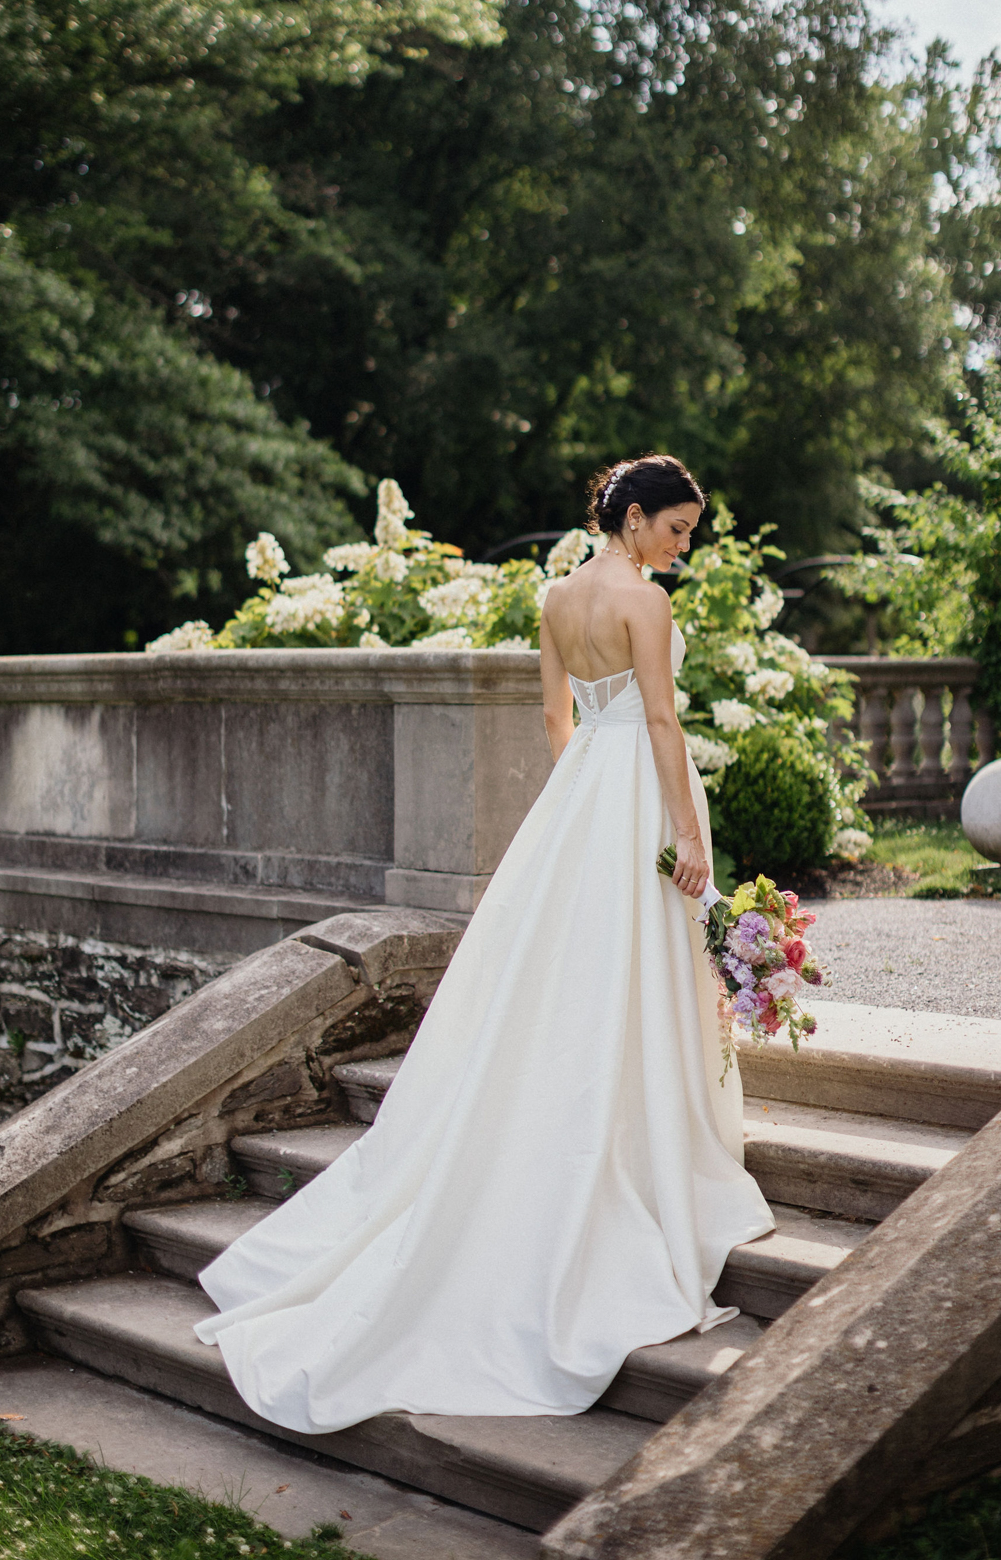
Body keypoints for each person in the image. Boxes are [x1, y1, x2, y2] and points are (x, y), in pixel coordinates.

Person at [194, 453, 774, 1433]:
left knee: (568, 974)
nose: (685, 547)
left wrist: (582, 806)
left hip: (583, 791)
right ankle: (642, 1137)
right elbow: (666, 721)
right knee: (637, 972)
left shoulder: (555, 596)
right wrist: (682, 833)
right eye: (677, 528)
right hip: (639, 792)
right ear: (632, 518)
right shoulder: (646, 604)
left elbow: (556, 721)